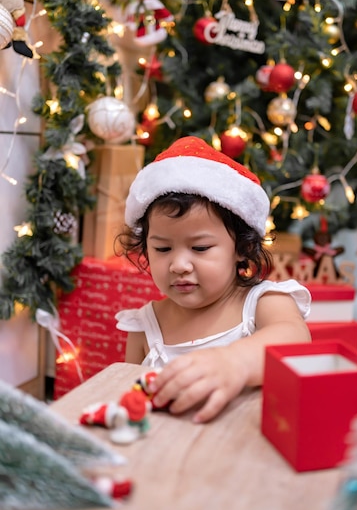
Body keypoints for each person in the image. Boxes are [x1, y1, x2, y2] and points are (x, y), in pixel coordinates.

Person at [115, 136, 311, 423]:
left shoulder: (264, 303)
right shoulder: (145, 325)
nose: (179, 265)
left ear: (242, 249)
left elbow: (295, 340)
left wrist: (234, 362)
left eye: (200, 248)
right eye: (162, 248)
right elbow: (128, 396)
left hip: (240, 450)